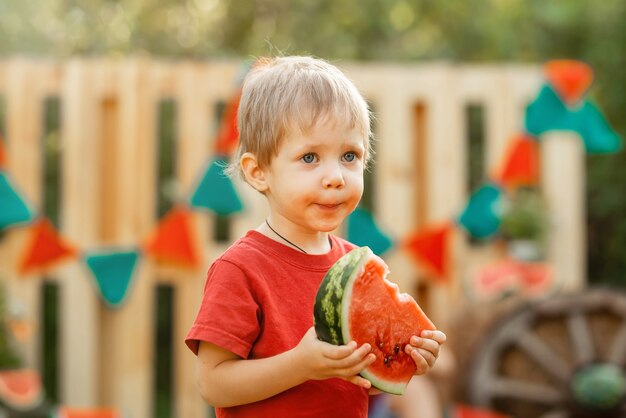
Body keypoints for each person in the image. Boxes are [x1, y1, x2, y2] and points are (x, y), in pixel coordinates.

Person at [185, 55, 446, 418]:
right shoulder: (240, 268)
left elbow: (358, 384)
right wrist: (300, 365)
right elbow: (212, 383)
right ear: (259, 172)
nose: (335, 176)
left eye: (350, 155)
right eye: (310, 158)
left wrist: (403, 358)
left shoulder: (357, 265)